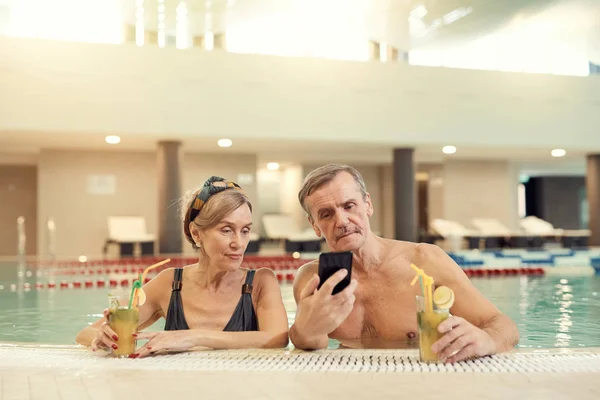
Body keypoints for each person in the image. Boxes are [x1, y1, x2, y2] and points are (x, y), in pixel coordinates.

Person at [289, 164, 519, 363]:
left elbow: (502, 324)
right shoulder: (312, 278)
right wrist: (305, 330)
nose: (341, 221)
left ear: (367, 204)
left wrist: (487, 340)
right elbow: (309, 344)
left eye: (349, 206)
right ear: (314, 224)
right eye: (326, 214)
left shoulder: (425, 260)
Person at [76, 176, 289, 357]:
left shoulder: (261, 281)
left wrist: (193, 336)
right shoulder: (170, 283)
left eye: (245, 230)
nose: (239, 243)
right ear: (196, 233)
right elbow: (84, 334)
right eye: (226, 230)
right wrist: (103, 336)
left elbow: (277, 338)